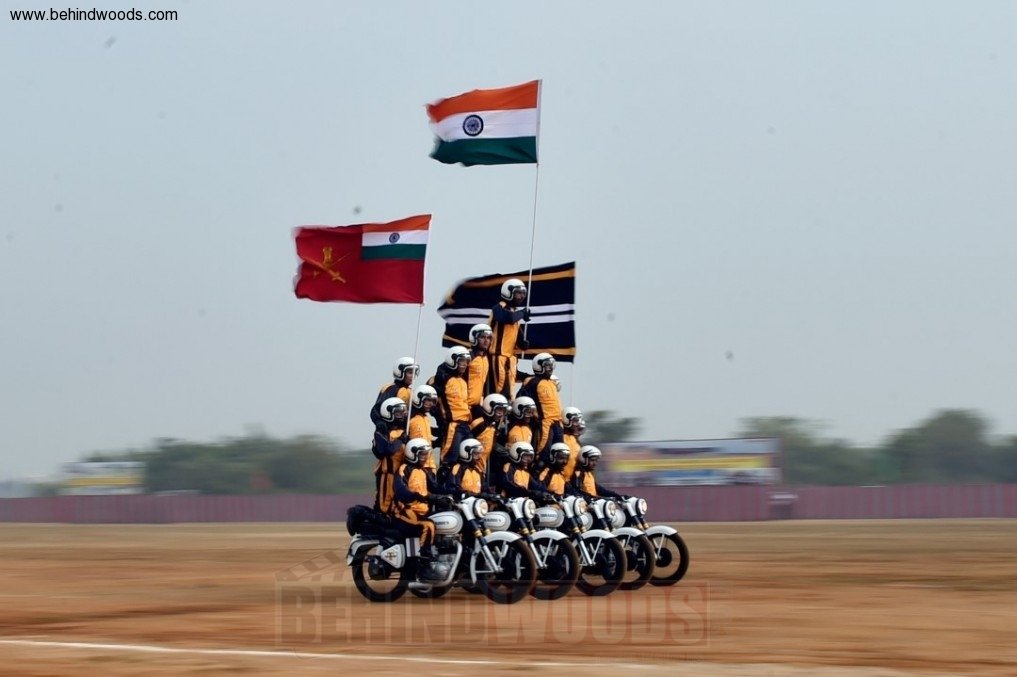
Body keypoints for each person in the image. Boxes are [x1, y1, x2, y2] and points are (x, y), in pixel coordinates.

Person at [392, 438, 456, 581]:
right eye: (422, 454)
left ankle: (441, 558)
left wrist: (454, 493)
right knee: (427, 526)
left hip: (421, 512)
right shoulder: (404, 469)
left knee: (444, 522)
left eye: (426, 454)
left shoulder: (424, 472)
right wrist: (427, 497)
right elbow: (402, 492)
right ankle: (424, 566)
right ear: (411, 453)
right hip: (404, 512)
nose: (424, 458)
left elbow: (437, 488)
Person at [488, 278, 530, 398]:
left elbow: (518, 336)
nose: (521, 296)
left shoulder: (515, 313)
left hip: (510, 358)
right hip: (497, 355)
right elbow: (507, 318)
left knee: (510, 389)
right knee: (500, 389)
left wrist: (523, 343)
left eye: (523, 293)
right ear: (508, 292)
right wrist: (522, 313)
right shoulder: (499, 307)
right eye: (518, 293)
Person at [519, 353, 564, 459]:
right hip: (545, 422)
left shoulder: (552, 383)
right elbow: (523, 399)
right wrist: (534, 417)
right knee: (543, 453)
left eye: (552, 365)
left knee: (558, 452)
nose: (551, 368)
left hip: (557, 422)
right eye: (548, 365)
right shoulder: (533, 382)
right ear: (539, 366)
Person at [433, 346, 472, 465]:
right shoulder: (443, 378)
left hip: (465, 425)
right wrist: (443, 417)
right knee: (450, 459)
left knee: (467, 458)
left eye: (466, 362)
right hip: (453, 426)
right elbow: (435, 400)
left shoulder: (463, 381)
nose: (464, 365)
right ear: (452, 360)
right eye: (461, 361)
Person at [371, 396, 409, 514]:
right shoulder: (381, 432)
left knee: (400, 505)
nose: (402, 416)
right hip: (388, 475)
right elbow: (384, 450)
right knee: (384, 506)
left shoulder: (406, 431)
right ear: (388, 413)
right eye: (398, 413)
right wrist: (400, 440)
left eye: (403, 412)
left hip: (403, 475)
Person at [370, 357, 418, 430]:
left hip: (405, 432)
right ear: (400, 372)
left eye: (414, 373)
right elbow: (376, 411)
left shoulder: (411, 391)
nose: (413, 376)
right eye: (410, 373)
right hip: (391, 432)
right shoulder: (391, 389)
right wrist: (380, 423)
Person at [469, 393, 509, 476]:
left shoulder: (493, 425)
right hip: (472, 465)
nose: (501, 414)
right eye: (499, 410)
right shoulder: (479, 423)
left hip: (482, 465)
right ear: (489, 407)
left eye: (503, 411)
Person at [408, 385, 442, 473]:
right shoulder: (409, 419)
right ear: (419, 398)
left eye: (433, 401)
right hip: (417, 466)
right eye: (428, 400)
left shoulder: (426, 418)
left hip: (430, 465)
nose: (431, 404)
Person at [466, 323, 494, 417]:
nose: (486, 341)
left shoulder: (486, 359)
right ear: (475, 338)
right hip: (464, 405)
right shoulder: (467, 356)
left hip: (477, 405)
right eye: (482, 337)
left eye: (489, 338)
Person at [561, 406, 586, 481]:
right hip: (560, 479)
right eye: (575, 421)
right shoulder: (560, 438)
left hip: (571, 480)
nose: (577, 424)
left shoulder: (576, 442)